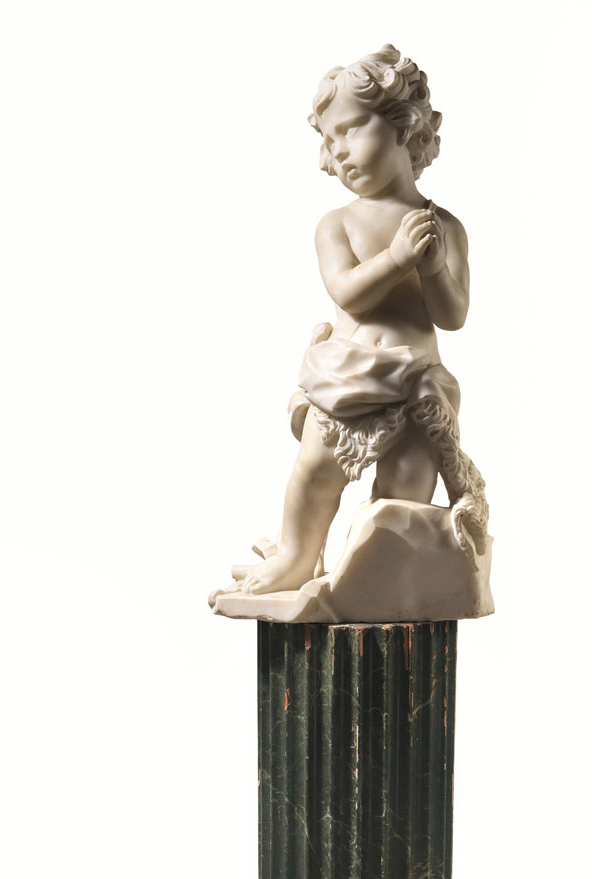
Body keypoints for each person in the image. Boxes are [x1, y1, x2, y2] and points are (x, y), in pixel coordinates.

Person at [229, 44, 487, 598]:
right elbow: (348, 292)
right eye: (329, 139)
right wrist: (396, 258)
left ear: (404, 126)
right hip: (349, 379)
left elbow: (453, 315)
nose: (338, 150)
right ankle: (296, 558)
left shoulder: (445, 226)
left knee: (406, 490)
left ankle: (374, 573)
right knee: (314, 474)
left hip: (418, 386)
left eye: (350, 129)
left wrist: (434, 268)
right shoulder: (338, 224)